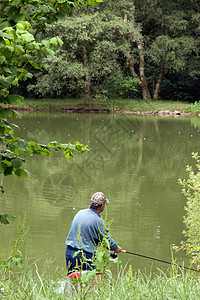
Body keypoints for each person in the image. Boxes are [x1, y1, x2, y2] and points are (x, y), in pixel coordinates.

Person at [65, 192, 122, 274]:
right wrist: (116, 248)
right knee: (88, 283)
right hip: (84, 256)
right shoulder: (97, 220)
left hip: (69, 252)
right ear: (102, 206)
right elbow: (106, 239)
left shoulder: (80, 213)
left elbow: (88, 235)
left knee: (72, 280)